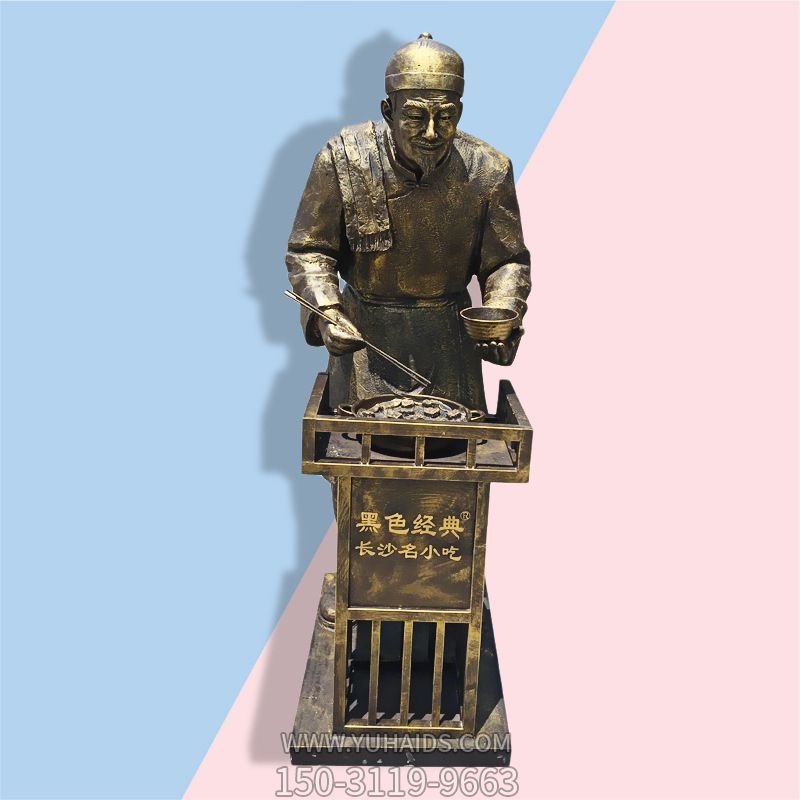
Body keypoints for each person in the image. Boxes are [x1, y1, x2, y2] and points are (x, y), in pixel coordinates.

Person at [286, 32, 531, 414]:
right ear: (389, 112)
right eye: (416, 116)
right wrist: (327, 313)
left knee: (454, 444)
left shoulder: (488, 170)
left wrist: (500, 313)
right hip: (365, 337)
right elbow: (310, 250)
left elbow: (507, 261)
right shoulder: (344, 159)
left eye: (445, 117)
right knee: (355, 444)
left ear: (459, 111)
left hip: (450, 339)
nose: (431, 132)